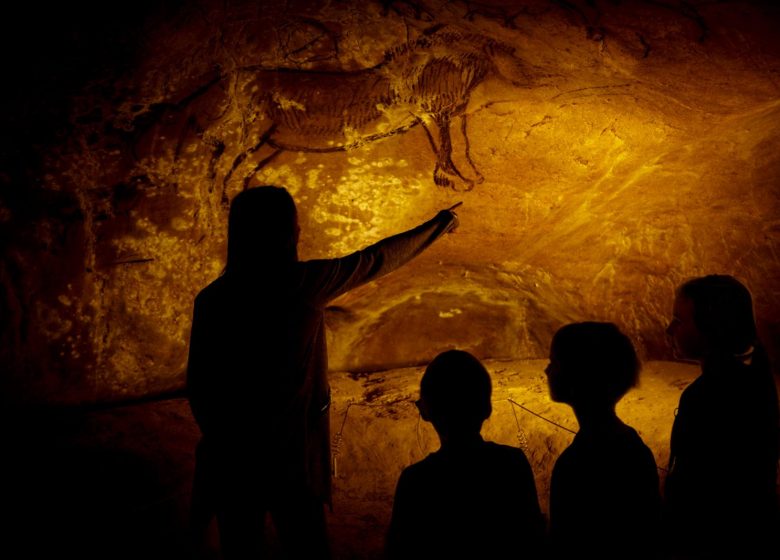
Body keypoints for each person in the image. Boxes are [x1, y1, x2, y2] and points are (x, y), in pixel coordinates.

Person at [186, 186, 460, 559]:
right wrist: (439, 225)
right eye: (294, 225)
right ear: (287, 233)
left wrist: (229, 442)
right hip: (293, 461)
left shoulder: (213, 300)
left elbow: (200, 389)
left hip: (234, 465)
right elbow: (376, 260)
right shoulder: (301, 284)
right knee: (308, 553)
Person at [386, 349, 545, 559]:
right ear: (487, 408)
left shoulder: (416, 480)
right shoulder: (511, 464)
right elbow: (532, 540)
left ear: (424, 410)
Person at [664, 275, 779, 559]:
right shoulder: (755, 371)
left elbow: (699, 491)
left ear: (711, 325)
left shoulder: (711, 395)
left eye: (679, 320)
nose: (670, 329)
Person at [546, 322, 662, 560]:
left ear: (578, 373)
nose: (547, 371)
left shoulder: (582, 460)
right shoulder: (629, 445)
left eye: (555, 362)